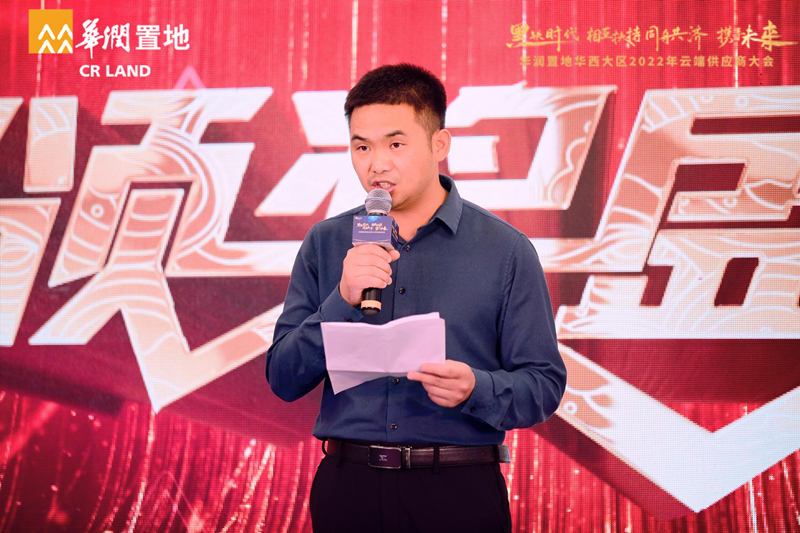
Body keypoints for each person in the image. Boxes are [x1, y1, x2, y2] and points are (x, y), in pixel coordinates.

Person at [266, 63, 566, 533]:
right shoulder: (326, 242)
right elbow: (284, 378)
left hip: (457, 491)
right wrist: (341, 300)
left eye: (395, 144)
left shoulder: (505, 250)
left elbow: (543, 385)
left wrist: (476, 388)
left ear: (439, 144)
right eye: (362, 147)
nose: (377, 164)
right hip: (348, 488)